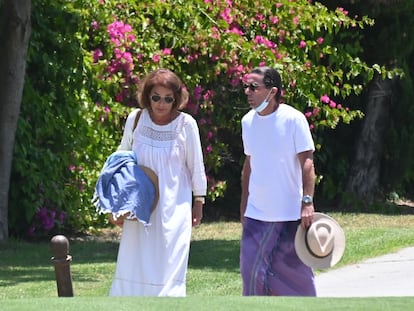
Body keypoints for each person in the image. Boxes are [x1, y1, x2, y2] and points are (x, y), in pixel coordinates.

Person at [109, 68, 207, 297]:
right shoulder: (136, 119)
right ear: (147, 96)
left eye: (167, 98)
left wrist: (199, 201)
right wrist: (117, 203)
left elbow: (196, 166)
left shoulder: (186, 124)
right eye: (156, 97)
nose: (161, 103)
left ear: (176, 99)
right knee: (135, 261)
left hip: (175, 207)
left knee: (169, 261)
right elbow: (122, 158)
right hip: (139, 205)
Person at [239, 66, 317, 296]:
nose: (247, 92)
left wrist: (307, 202)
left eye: (254, 87)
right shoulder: (247, 122)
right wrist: (244, 203)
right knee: (251, 276)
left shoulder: (294, 119)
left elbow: (307, 163)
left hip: (289, 216)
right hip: (256, 215)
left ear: (272, 92)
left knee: (296, 282)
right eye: (246, 86)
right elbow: (249, 164)